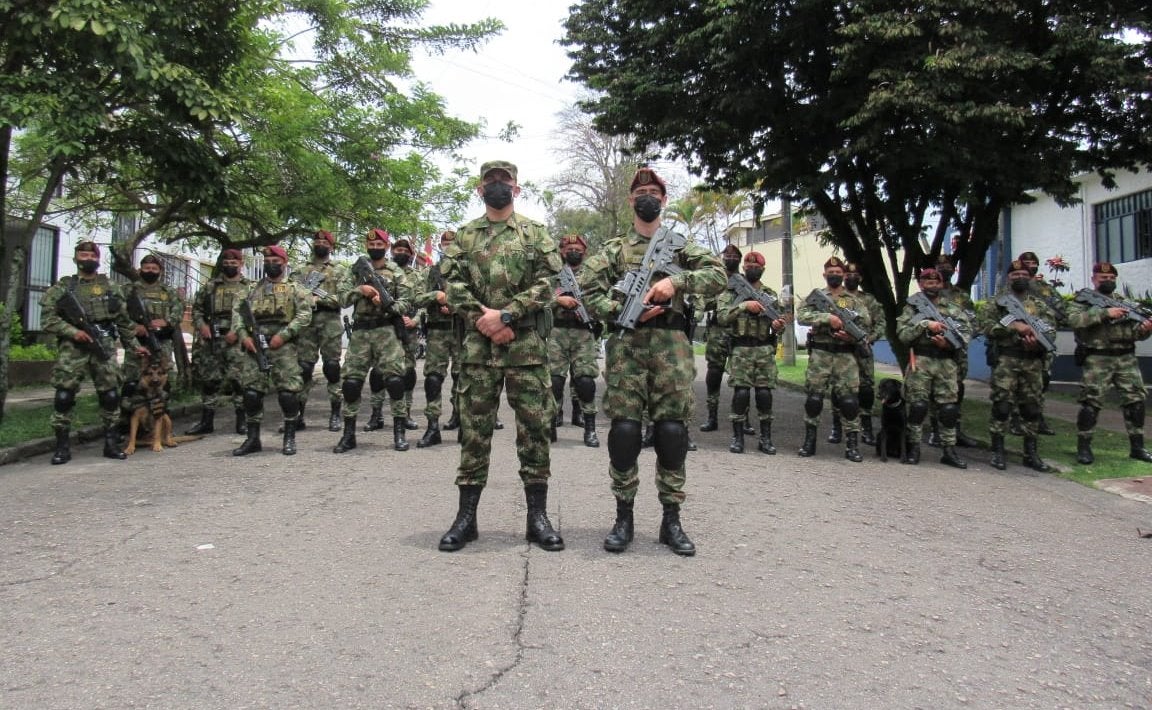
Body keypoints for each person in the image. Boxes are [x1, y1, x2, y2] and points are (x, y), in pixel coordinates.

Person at [580, 166, 726, 556]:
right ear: (631, 200)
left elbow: (717, 276)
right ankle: (623, 517)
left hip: (672, 346)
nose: (647, 196)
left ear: (663, 200)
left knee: (672, 432)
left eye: (654, 191)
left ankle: (671, 520)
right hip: (627, 346)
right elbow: (586, 297)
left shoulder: (681, 247)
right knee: (625, 432)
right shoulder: (612, 251)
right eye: (640, 191)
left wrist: (674, 282)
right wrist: (619, 309)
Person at [437, 160, 564, 553]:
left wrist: (508, 314)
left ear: (516, 187)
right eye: (490, 181)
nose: (497, 186)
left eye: (504, 181)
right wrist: (485, 320)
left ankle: (537, 519)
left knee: (534, 431)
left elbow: (550, 281)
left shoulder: (535, 233)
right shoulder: (465, 235)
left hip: (525, 348)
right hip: (478, 348)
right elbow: (450, 281)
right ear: (479, 189)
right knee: (474, 433)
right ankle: (466, 519)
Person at [41, 241, 148, 464]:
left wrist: (134, 345)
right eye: (83, 253)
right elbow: (48, 319)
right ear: (76, 257)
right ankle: (62, 447)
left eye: (91, 254)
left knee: (110, 395)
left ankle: (110, 443)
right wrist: (72, 332)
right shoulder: (62, 288)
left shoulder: (110, 287)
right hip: (73, 348)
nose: (87, 257)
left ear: (98, 259)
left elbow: (123, 322)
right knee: (64, 396)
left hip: (104, 345)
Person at [332, 229, 414, 453]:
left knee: (395, 382)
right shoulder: (355, 270)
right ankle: (349, 435)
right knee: (351, 383)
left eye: (380, 243)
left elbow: (407, 301)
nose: (375, 246)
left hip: (386, 330)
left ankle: (399, 432)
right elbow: (341, 297)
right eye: (372, 243)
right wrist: (361, 290)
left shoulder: (396, 271)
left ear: (386, 246)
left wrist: (386, 305)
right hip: (360, 333)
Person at [978, 260, 1061, 471]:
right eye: (1015, 275)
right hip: (1007, 360)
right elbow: (985, 326)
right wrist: (1014, 327)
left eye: (1024, 273)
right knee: (1002, 406)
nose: (1020, 277)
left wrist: (1036, 341)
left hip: (1032, 361)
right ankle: (998, 451)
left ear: (1031, 276)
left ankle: (1030, 453)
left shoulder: (1040, 305)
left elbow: (1050, 331)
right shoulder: (996, 303)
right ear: (1009, 278)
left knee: (1031, 408)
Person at [230, 245, 313, 456]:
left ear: (284, 263)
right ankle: (253, 438)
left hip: (283, 346)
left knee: (287, 393)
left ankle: (289, 438)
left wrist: (283, 335)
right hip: (255, 345)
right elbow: (238, 315)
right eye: (266, 260)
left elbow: (304, 316)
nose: (270, 264)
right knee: (251, 393)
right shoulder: (250, 290)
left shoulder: (296, 289)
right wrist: (243, 336)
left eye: (275, 260)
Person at [1067, 261, 1152, 464]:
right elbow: (1073, 321)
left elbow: (1135, 333)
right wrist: (1105, 313)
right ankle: (1084, 447)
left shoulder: (1126, 303)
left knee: (1136, 401)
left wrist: (1146, 329)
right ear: (1094, 279)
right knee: (1091, 402)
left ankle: (1137, 446)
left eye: (1111, 278)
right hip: (1098, 358)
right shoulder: (1083, 301)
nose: (1108, 281)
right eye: (1103, 278)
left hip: (1126, 357)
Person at [796, 257, 875, 462]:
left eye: (838, 272)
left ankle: (852, 445)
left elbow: (866, 324)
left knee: (849, 401)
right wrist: (826, 318)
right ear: (824, 274)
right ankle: (809, 441)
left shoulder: (854, 301)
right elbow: (802, 315)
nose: (835, 275)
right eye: (830, 272)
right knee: (814, 398)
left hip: (845, 355)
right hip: (821, 353)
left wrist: (850, 336)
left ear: (843, 275)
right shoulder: (818, 297)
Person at [895, 268, 972, 468]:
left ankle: (949, 450)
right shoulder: (912, 308)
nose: (932, 285)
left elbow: (966, 334)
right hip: (921, 360)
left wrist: (947, 343)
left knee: (948, 409)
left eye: (935, 282)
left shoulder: (953, 309)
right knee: (918, 406)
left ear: (941, 284)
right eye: (927, 282)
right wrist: (925, 325)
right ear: (920, 284)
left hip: (946, 363)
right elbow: (902, 334)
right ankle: (914, 448)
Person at [716, 251, 785, 455]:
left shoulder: (770, 294)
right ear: (743, 268)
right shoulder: (731, 292)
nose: (752, 269)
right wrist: (745, 305)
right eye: (748, 266)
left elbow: (779, 323)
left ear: (762, 269)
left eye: (756, 267)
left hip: (764, 348)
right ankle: (737, 438)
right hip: (740, 349)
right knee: (741, 393)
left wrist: (777, 325)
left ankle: (766, 438)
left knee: (764, 393)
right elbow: (722, 317)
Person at [186, 249, 252, 436]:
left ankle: (242, 421)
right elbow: (197, 310)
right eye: (227, 262)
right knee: (210, 381)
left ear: (241, 264)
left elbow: (253, 314)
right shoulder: (210, 287)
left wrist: (237, 331)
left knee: (239, 381)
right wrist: (202, 326)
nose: (230, 265)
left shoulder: (249, 288)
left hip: (236, 339)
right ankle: (206, 421)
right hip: (212, 338)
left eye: (234, 262)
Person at [288, 230, 347, 433]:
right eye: (317, 240)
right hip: (306, 323)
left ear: (332, 246)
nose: (320, 243)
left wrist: (319, 299)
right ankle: (298, 415)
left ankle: (335, 414)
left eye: (325, 241)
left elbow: (344, 298)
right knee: (304, 368)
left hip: (329, 321)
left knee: (332, 368)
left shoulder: (339, 271)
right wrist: (305, 300)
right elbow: (290, 295)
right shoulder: (299, 270)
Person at [119, 254, 184, 429]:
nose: (150, 271)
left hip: (161, 342)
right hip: (137, 343)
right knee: (132, 383)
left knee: (164, 383)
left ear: (160, 271)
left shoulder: (167, 291)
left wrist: (166, 321)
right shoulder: (129, 290)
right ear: (140, 269)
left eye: (154, 269)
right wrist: (135, 326)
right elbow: (120, 315)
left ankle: (161, 422)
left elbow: (178, 311)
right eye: (147, 268)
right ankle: (127, 423)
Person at [549, 234, 602, 448]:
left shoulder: (593, 275)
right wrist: (557, 300)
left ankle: (590, 428)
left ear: (585, 251)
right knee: (554, 382)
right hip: (557, 334)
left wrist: (590, 309)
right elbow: (537, 297)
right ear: (561, 251)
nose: (573, 250)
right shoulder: (552, 275)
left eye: (578, 248)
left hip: (583, 334)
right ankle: (550, 423)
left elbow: (604, 298)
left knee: (586, 382)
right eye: (569, 247)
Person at [413, 230, 461, 448]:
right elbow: (415, 298)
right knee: (433, 378)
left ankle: (462, 419)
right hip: (437, 332)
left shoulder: (467, 271)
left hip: (461, 330)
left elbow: (481, 299)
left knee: (463, 377)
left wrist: (455, 305)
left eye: (452, 243)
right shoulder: (430, 272)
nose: (448, 246)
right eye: (445, 243)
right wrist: (435, 296)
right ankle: (433, 427)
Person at [830, 261, 885, 446]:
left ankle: (866, 428)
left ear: (860, 278)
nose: (851, 278)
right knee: (839, 390)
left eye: (855, 275)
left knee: (866, 389)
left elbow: (880, 322)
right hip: (842, 351)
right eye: (848, 275)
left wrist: (869, 338)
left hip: (862, 350)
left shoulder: (868, 300)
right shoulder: (836, 296)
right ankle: (837, 428)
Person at [932, 254, 980, 447]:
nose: (945, 268)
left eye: (948, 265)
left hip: (956, 352)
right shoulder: (929, 296)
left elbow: (974, 322)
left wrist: (958, 338)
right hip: (933, 352)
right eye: (940, 265)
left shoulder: (961, 297)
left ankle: (955, 430)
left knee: (957, 390)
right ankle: (935, 431)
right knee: (933, 391)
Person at [1017, 250, 1064, 436]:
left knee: (1041, 381)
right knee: (1016, 383)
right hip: (1017, 344)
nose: (1030, 266)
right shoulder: (1010, 289)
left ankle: (1038, 417)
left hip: (1042, 342)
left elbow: (1061, 310)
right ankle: (1015, 418)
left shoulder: (1044, 289)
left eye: (1033, 263)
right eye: (1025, 263)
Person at [699, 244, 741, 432]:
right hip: (717, 332)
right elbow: (703, 302)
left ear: (740, 259)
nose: (730, 258)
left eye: (734, 256)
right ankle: (712, 416)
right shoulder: (716, 280)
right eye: (728, 255)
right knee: (714, 374)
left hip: (740, 334)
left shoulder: (745, 281)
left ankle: (742, 419)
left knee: (741, 379)